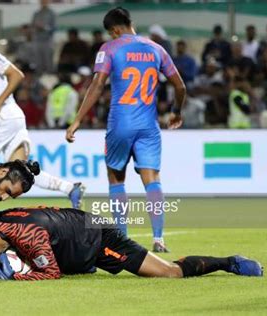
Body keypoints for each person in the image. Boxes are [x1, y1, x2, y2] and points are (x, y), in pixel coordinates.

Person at [65, 7, 186, 252]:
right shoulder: (157, 49)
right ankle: (159, 239)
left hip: (120, 123)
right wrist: (176, 111)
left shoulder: (110, 49)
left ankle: (122, 240)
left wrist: (78, 119)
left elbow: (98, 85)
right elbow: (180, 86)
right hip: (148, 126)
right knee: (152, 180)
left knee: (116, 179)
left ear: (115, 30)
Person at [0, 21, 85, 208]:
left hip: (3, 116)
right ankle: (70, 188)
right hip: (12, 116)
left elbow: (17, 75)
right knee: (21, 169)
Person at [0, 207, 263, 281]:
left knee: (168, 273)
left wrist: (16, 277)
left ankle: (228, 262)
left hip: (98, 237)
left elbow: (50, 273)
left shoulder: (26, 235)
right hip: (77, 226)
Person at [31, 0, 56, 74]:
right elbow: (32, 25)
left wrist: (44, 28)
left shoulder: (52, 14)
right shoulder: (36, 14)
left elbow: (54, 27)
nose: (43, 2)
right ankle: (38, 75)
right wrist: (36, 27)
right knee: (38, 59)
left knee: (48, 59)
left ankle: (50, 74)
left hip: (47, 40)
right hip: (37, 39)